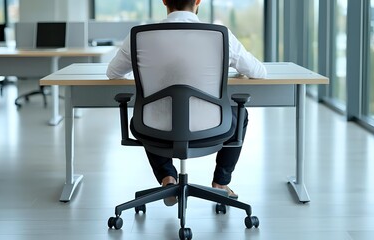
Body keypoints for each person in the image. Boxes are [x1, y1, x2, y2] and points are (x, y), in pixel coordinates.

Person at [106, 0, 267, 206]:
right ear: (198, 1)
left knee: (146, 117)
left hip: (153, 128)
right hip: (212, 127)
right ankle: (220, 183)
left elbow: (113, 73)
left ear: (164, 1)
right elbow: (259, 72)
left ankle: (167, 179)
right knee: (240, 115)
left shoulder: (141, 35)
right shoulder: (219, 34)